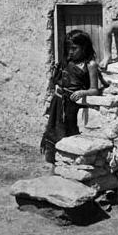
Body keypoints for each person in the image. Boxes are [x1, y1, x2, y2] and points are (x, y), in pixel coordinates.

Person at [40, 30, 100, 167]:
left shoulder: (90, 65)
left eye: (74, 48)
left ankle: (72, 164)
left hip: (74, 107)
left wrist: (83, 92)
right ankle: (55, 162)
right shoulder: (67, 61)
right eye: (69, 48)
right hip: (59, 103)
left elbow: (95, 90)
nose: (71, 52)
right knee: (56, 130)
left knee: (71, 133)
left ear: (84, 47)